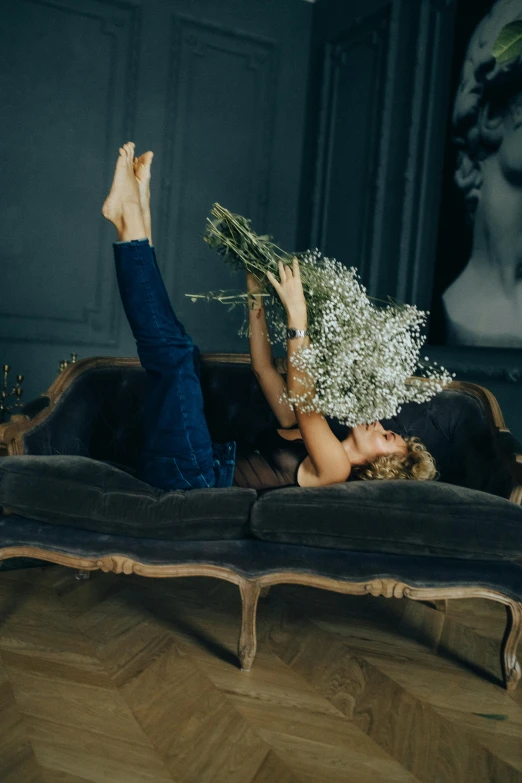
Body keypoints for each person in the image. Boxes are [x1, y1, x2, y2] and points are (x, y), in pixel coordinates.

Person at [102, 142, 437, 492]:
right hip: (190, 463)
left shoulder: (335, 468)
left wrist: (297, 316)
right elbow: (262, 367)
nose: (378, 422)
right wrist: (256, 296)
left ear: (379, 466)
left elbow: (306, 404)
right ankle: (135, 219)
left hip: (194, 478)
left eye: (386, 436)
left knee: (176, 356)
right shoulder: (313, 435)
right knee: (180, 357)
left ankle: (129, 217)